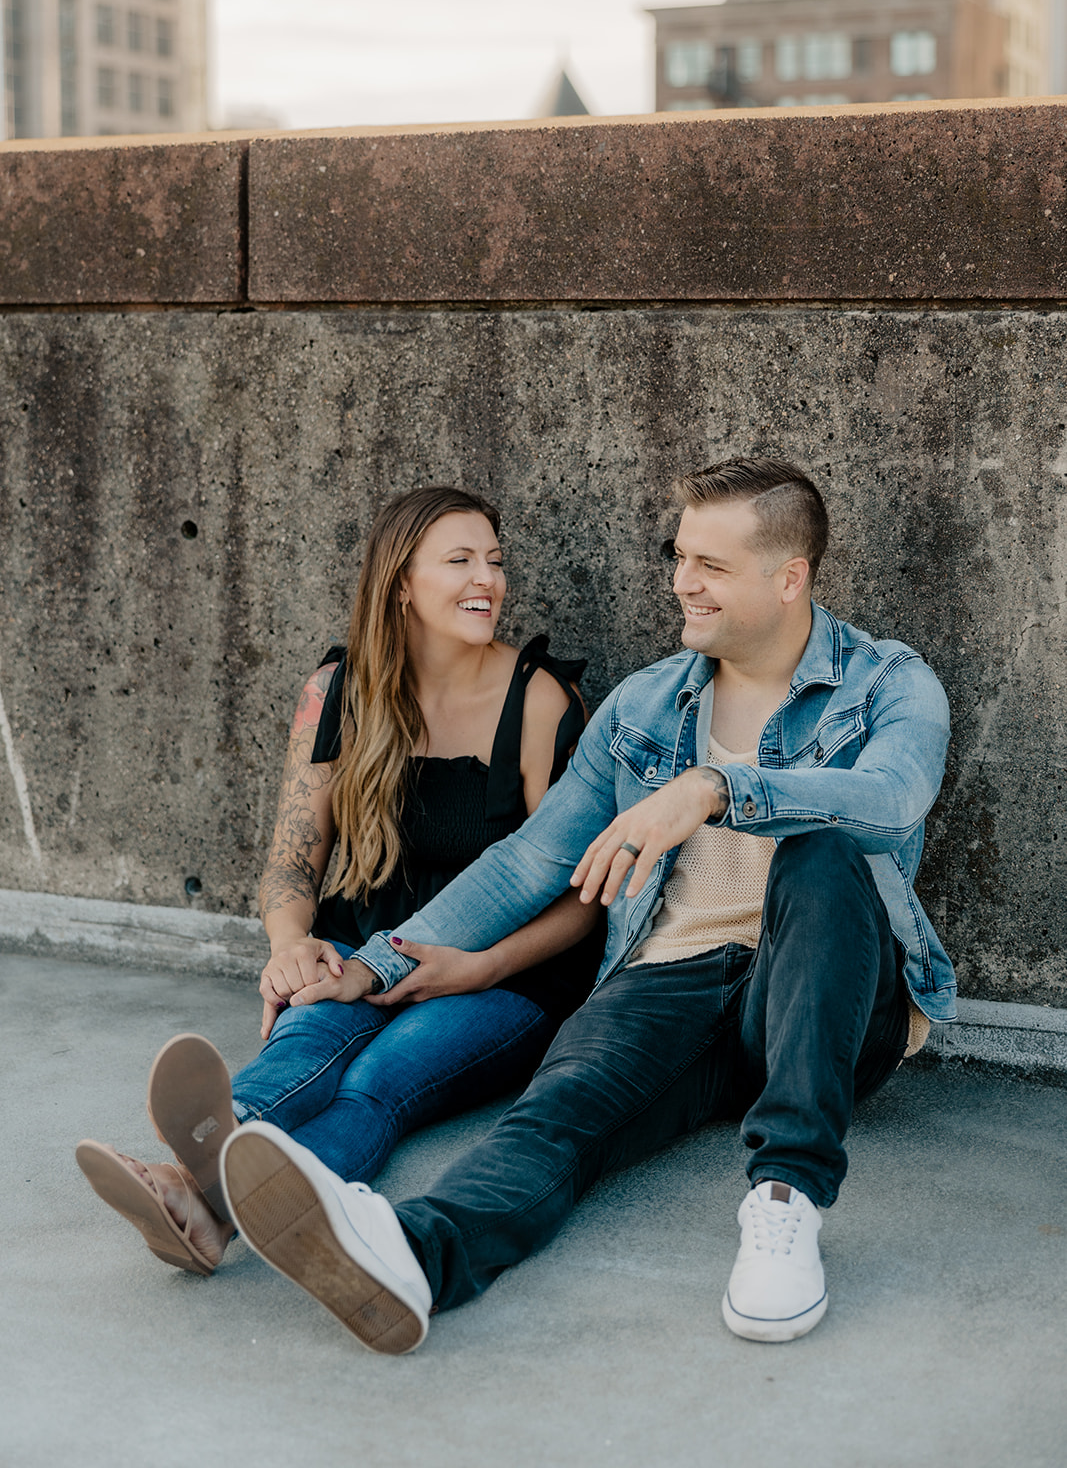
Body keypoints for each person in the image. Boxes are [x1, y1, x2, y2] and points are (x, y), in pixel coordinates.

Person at [217, 456, 955, 1354]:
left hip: (829, 1002)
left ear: (788, 577)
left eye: (710, 566)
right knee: (559, 1111)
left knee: (824, 851)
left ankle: (785, 1202)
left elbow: (891, 796)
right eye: (678, 556)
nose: (682, 582)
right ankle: (418, 1256)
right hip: (673, 983)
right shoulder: (645, 703)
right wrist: (378, 962)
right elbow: (527, 860)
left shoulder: (887, 684)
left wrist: (714, 788)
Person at [76, 485, 602, 1276]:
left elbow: (583, 897)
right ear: (400, 582)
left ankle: (195, 1196)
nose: (486, 580)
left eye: (493, 561)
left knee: (379, 1082)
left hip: (503, 973)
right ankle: (213, 1181)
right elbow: (293, 857)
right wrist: (290, 945)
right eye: (458, 561)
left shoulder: (537, 701)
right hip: (361, 941)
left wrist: (479, 966)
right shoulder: (338, 691)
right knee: (310, 1037)